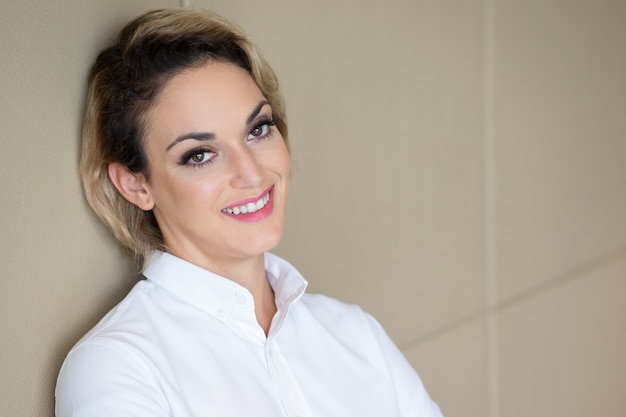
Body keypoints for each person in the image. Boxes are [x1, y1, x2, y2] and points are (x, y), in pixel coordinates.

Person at [55, 8, 443, 417]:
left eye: (257, 129)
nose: (252, 173)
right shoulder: (118, 369)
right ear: (136, 184)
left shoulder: (354, 334)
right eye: (200, 154)